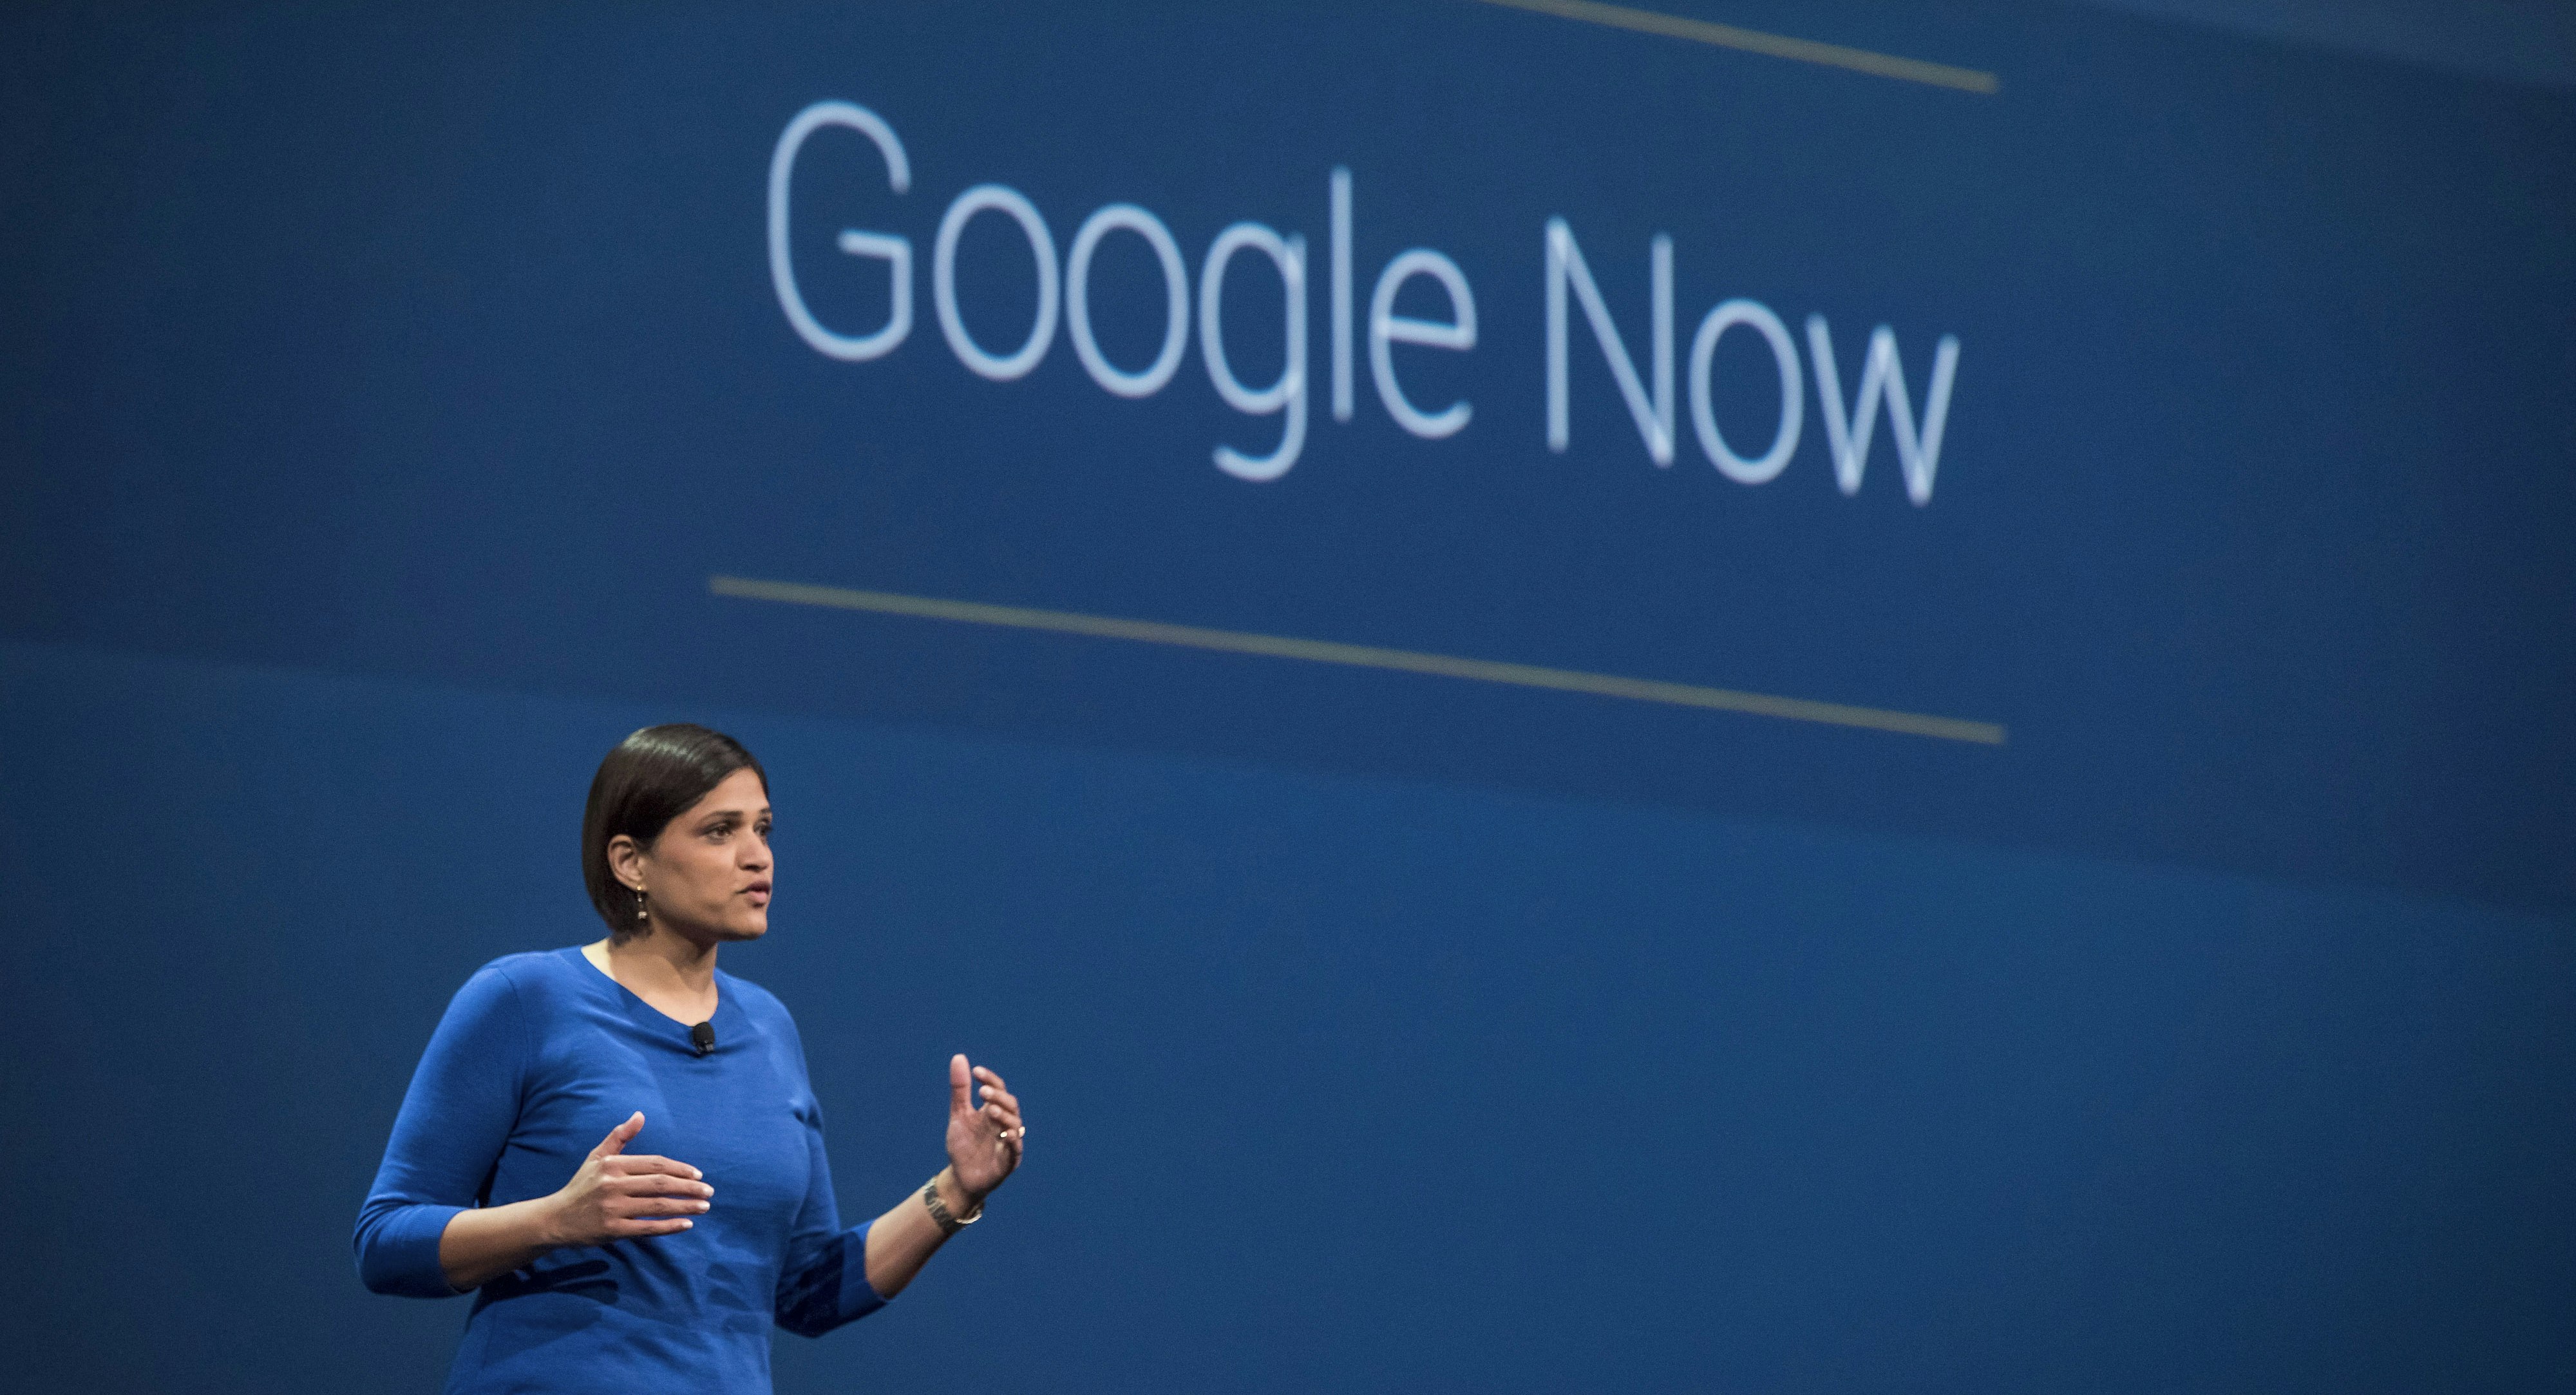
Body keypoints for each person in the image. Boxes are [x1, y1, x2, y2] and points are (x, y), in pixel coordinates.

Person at [354, 724, 1025, 1392]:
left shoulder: (768, 1026)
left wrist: (956, 1190)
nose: (757, 857)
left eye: (763, 829)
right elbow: (386, 1243)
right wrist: (554, 1220)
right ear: (630, 862)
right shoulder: (525, 1000)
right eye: (719, 831)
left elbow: (807, 1291)